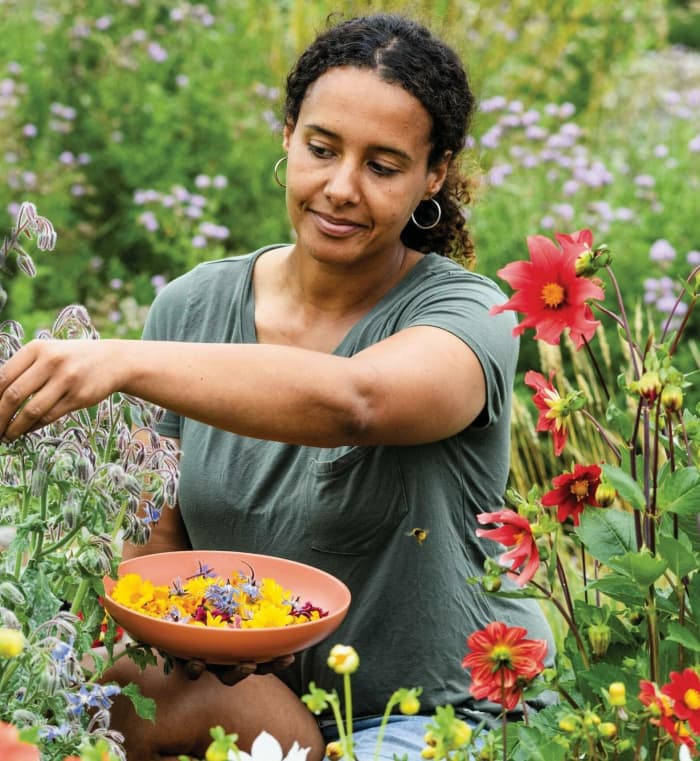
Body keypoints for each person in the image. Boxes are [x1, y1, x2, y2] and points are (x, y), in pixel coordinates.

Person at [0, 13, 555, 761]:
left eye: (383, 166)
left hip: (431, 713)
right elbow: (154, 536)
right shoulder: (192, 306)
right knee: (76, 710)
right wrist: (201, 637)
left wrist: (122, 361)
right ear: (288, 134)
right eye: (321, 149)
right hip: (259, 691)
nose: (340, 188)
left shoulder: (467, 315)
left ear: (435, 173)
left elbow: (359, 402)